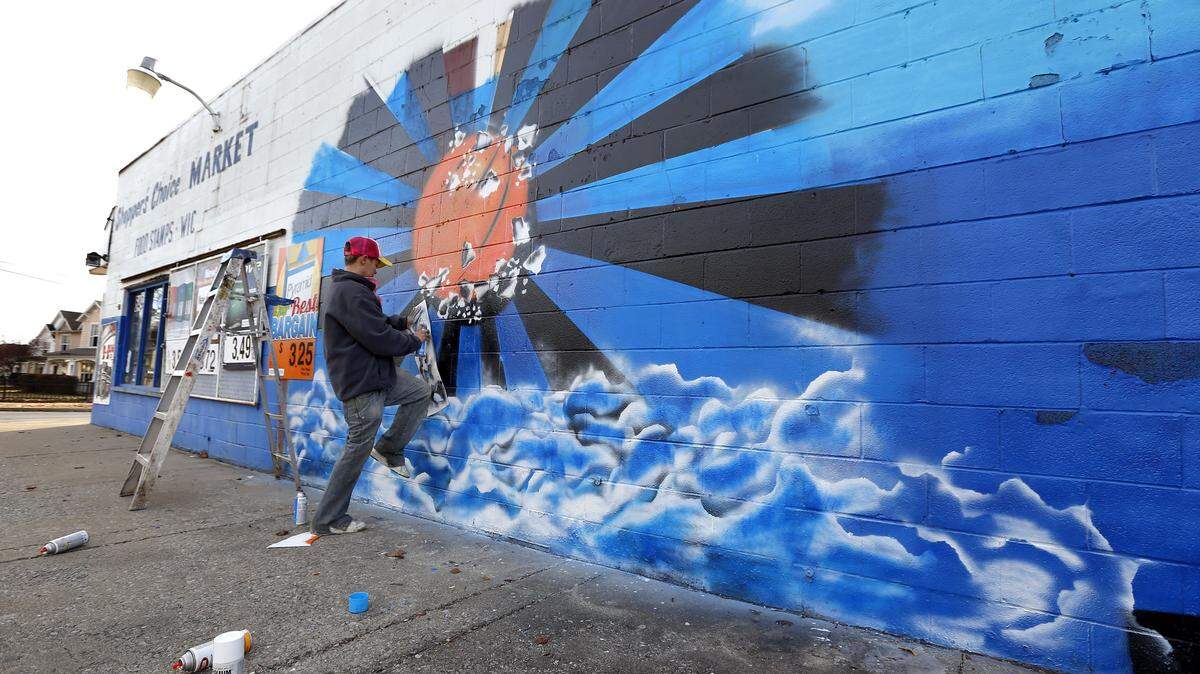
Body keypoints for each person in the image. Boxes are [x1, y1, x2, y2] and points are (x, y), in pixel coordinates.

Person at [311, 236, 431, 535]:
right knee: (356, 450)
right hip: (363, 384)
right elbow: (377, 337)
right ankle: (328, 520)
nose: (377, 269)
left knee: (419, 392)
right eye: (375, 263)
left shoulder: (352, 291)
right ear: (362, 260)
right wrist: (413, 340)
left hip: (376, 376)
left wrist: (399, 322)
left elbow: (372, 322)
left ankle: (389, 449)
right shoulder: (351, 292)